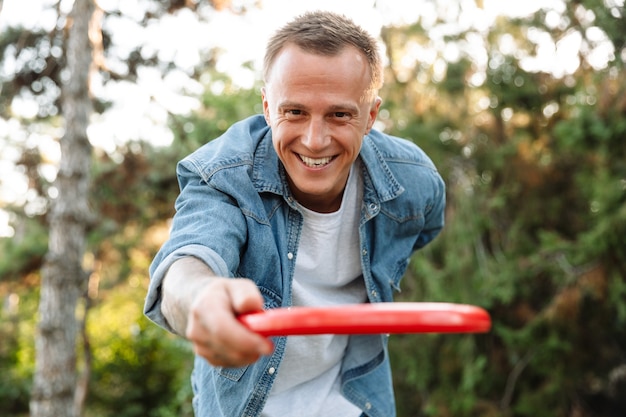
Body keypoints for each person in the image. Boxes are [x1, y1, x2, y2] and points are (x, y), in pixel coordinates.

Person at [144, 10, 445, 417]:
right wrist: (202, 299)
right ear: (267, 108)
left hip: (359, 403)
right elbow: (188, 258)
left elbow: (425, 227)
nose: (315, 140)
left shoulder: (415, 181)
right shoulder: (224, 175)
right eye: (294, 112)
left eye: (340, 114)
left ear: (370, 116)